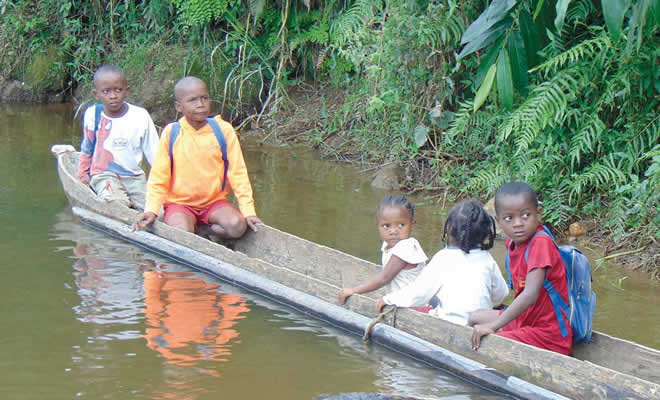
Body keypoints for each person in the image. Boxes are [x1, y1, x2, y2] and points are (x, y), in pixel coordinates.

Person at [132, 76, 262, 238]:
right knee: (181, 233)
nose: (200, 104)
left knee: (237, 226)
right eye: (192, 100)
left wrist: (248, 211)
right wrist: (151, 210)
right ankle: (191, 227)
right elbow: (159, 177)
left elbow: (238, 173)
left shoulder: (223, 130)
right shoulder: (172, 133)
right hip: (180, 204)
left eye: (204, 98)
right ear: (179, 106)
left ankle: (204, 230)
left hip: (213, 203)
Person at [468, 182, 572, 355]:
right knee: (474, 318)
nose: (517, 224)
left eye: (525, 215)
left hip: (547, 334)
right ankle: (507, 331)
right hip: (524, 320)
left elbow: (530, 295)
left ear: (538, 214)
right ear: (499, 221)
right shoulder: (512, 244)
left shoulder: (540, 243)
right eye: (509, 218)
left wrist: (494, 326)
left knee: (489, 341)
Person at [374, 199, 509, 325]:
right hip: (480, 323)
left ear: (449, 229)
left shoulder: (443, 257)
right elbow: (501, 294)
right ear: (484, 233)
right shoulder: (486, 258)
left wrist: (388, 299)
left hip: (448, 321)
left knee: (426, 307)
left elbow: (419, 293)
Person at [77, 64, 159, 210]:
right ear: (97, 94)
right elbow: (87, 145)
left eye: (118, 90)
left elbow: (155, 154)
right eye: (106, 91)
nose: (113, 96)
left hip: (134, 177)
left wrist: (166, 183)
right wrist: (83, 173)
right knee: (117, 205)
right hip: (104, 176)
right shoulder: (92, 114)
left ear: (127, 91)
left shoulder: (140, 116)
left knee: (157, 213)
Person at [337, 195, 428, 305]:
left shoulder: (406, 247)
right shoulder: (388, 244)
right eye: (386, 226)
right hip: (402, 301)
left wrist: (354, 290)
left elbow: (384, 278)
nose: (393, 231)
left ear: (412, 224)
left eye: (401, 225)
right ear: (378, 225)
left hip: (413, 307)